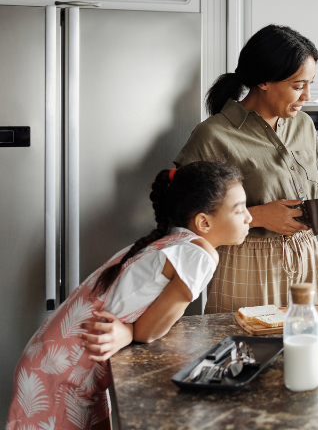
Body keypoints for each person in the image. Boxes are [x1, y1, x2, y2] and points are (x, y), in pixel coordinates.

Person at [6, 161, 251, 430]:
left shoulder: (173, 241)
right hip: (59, 373)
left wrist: (129, 330)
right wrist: (131, 331)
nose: (249, 217)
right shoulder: (200, 254)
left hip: (54, 360)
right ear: (203, 222)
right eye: (240, 210)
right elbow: (149, 331)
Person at [175, 24, 318, 312]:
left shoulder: (304, 126)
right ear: (264, 81)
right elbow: (185, 222)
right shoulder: (214, 135)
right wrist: (257, 216)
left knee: (312, 348)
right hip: (245, 263)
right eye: (298, 85)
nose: (307, 96)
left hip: (306, 256)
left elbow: (306, 187)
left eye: (310, 84)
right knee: (249, 352)